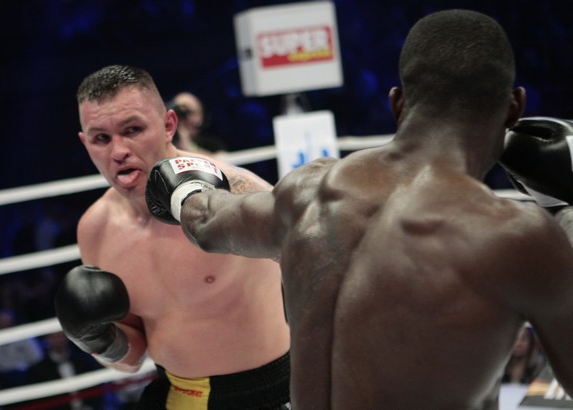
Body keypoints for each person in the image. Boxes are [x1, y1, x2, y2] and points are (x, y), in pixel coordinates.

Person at [151, 9, 573, 409]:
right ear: (515, 107)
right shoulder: (515, 235)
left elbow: (207, 220)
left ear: (397, 103)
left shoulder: (308, 191)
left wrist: (184, 189)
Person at [55, 65, 290, 409]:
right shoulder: (95, 229)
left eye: (132, 130)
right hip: (175, 395)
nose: (118, 151)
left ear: (168, 126)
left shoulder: (234, 194)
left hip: (269, 394)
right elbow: (132, 357)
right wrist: (97, 339)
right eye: (101, 139)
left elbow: (320, 262)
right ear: (85, 142)